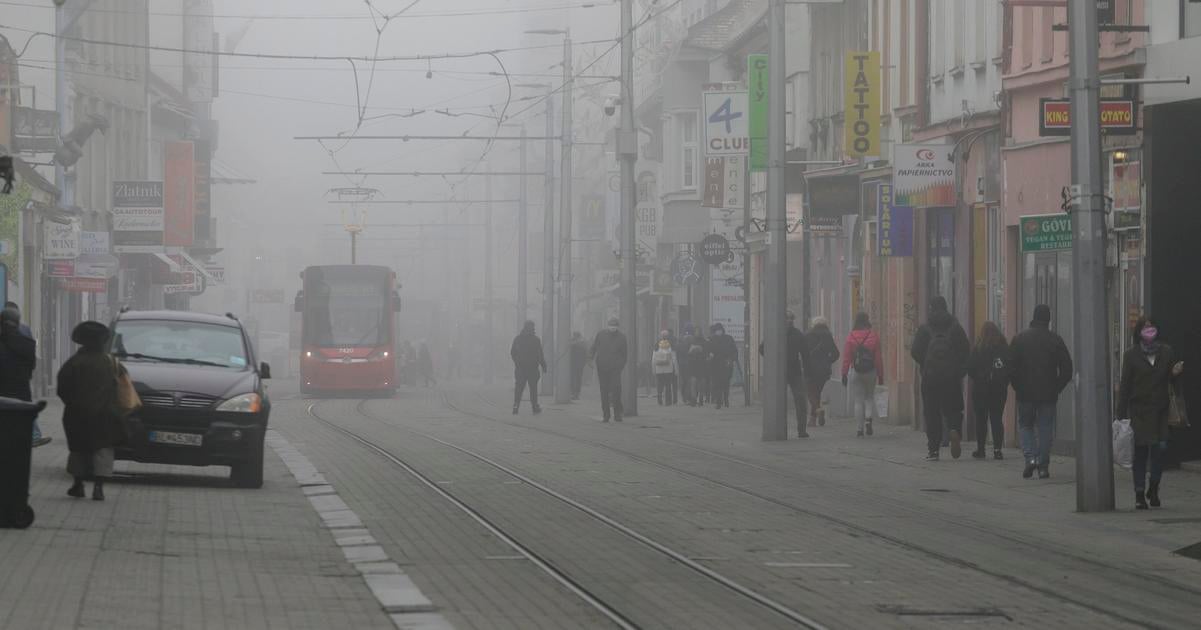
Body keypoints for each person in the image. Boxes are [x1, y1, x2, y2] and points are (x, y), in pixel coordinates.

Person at [1117, 317, 1183, 509]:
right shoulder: (1131, 355)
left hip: (1161, 410)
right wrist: (1120, 414)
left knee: (1160, 448)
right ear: (1139, 332)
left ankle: (1153, 488)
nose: (1149, 331)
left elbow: (1171, 379)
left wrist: (1176, 373)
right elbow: (1126, 385)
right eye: (1145, 328)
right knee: (1140, 452)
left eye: (1152, 328)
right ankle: (1139, 494)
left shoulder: (1166, 351)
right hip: (1140, 411)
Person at [58, 321, 125, 501]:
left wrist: (73, 403)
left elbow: (61, 388)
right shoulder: (111, 363)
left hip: (77, 414)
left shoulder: (74, 362)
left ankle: (78, 484)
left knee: (78, 448)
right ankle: (98, 488)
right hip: (105, 414)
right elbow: (124, 386)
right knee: (102, 450)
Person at [1009, 304, 1073, 479]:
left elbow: (1010, 367)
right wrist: (1056, 387)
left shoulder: (1020, 339)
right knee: (1045, 428)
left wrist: (1017, 386)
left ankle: (1030, 459)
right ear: (1048, 319)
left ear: (1033, 317)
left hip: (1025, 393)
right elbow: (1067, 369)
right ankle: (1043, 466)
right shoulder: (1055, 340)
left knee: (1025, 425)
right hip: (1048, 393)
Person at [910, 296, 970, 461]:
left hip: (930, 379)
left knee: (932, 413)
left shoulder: (925, 329)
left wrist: (925, 364)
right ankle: (954, 430)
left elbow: (914, 351)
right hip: (951, 378)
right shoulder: (955, 328)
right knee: (954, 409)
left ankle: (933, 450)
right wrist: (959, 370)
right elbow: (966, 350)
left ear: (931, 309)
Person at [760, 310, 811, 437]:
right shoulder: (774, 333)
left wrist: (807, 372)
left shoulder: (798, 335)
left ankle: (802, 430)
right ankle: (774, 427)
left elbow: (805, 354)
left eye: (790, 319)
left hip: (795, 371)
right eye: (786, 319)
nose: (789, 321)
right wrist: (772, 360)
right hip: (777, 372)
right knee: (776, 400)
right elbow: (762, 348)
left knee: (800, 400)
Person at [0, 305, 45, 447]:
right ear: (18, 323)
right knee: (20, 437)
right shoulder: (28, 344)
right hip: (22, 394)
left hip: (2, 394)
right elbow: (31, 367)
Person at [967, 321, 1011, 460]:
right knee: (997, 418)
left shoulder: (978, 348)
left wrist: (980, 377)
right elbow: (1009, 368)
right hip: (998, 389)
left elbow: (971, 369)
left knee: (981, 420)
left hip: (981, 389)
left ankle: (981, 450)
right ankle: (998, 450)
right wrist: (1003, 382)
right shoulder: (1003, 347)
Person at [842, 312, 884, 438]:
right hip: (871, 371)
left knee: (858, 400)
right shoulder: (873, 336)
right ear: (867, 321)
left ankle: (859, 429)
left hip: (856, 371)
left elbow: (846, 357)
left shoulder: (851, 337)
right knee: (869, 397)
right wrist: (881, 374)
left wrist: (844, 373)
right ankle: (868, 419)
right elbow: (878, 358)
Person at [589, 317, 628, 422]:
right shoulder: (601, 335)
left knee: (616, 389)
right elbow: (594, 348)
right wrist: (590, 358)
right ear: (608, 325)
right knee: (604, 390)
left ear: (617, 327)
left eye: (614, 326)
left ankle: (617, 414)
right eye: (611, 325)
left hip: (615, 368)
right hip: (602, 367)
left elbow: (624, 355)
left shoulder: (622, 337)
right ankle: (606, 414)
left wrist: (620, 366)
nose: (612, 327)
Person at [804, 316, 840, 427]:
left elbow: (804, 352)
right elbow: (836, 354)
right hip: (824, 370)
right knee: (817, 392)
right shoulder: (828, 336)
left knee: (810, 392)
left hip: (810, 368)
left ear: (813, 324)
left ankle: (818, 410)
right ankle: (813, 419)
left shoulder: (808, 335)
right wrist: (828, 361)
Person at [510, 321, 546, 414]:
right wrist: (543, 365)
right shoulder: (536, 340)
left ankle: (516, 406)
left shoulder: (518, 339)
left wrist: (517, 362)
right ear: (532, 328)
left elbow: (513, 353)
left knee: (519, 388)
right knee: (533, 389)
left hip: (520, 368)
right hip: (532, 368)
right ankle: (534, 407)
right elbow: (540, 355)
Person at [707, 323, 738, 409]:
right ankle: (719, 402)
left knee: (725, 383)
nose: (718, 331)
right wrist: (710, 356)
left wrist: (732, 359)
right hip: (716, 365)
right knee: (717, 384)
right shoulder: (712, 339)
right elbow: (709, 351)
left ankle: (726, 399)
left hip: (726, 364)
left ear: (722, 330)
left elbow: (734, 350)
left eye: (719, 329)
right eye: (717, 330)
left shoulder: (728, 338)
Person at [652, 338, 679, 405]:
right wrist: (676, 370)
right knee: (668, 385)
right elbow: (674, 360)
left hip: (659, 370)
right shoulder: (670, 348)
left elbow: (653, 360)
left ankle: (659, 398)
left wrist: (653, 370)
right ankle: (668, 401)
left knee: (660, 385)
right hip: (668, 370)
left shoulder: (656, 349)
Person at [569, 331, 588, 400]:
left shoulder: (580, 344)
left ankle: (575, 393)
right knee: (575, 378)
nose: (574, 337)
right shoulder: (581, 343)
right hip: (576, 364)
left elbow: (585, 354)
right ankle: (575, 393)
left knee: (576, 378)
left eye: (575, 336)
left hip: (576, 364)